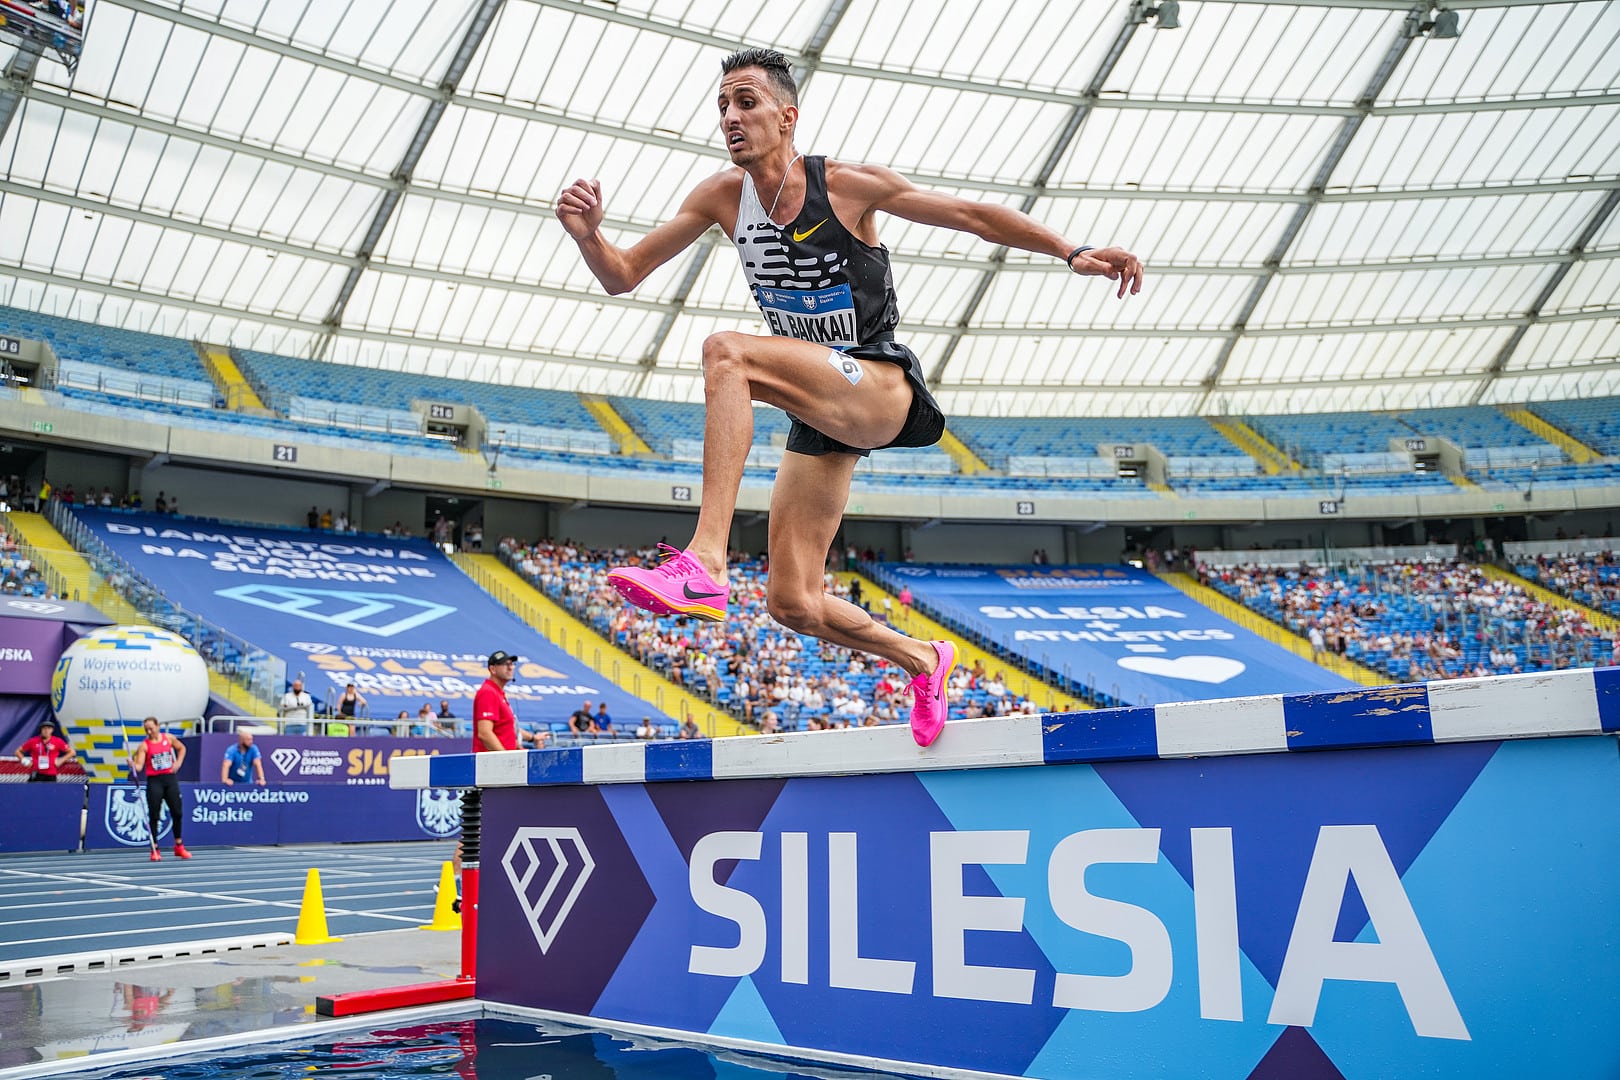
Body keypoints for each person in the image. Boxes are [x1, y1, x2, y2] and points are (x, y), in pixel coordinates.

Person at [556, 48, 1142, 749]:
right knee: (792, 602)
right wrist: (591, 237)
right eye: (722, 106)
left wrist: (1071, 252)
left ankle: (706, 562)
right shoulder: (719, 198)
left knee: (726, 352)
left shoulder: (846, 186)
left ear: (787, 115)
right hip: (819, 409)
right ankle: (923, 659)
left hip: (879, 385)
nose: (730, 118)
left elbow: (974, 215)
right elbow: (622, 275)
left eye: (746, 102)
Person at [454, 650, 523, 910]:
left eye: (512, 664)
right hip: (490, 770)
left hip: (498, 769)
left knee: (491, 828)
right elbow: (485, 733)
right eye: (505, 663)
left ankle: (477, 882)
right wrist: (507, 760)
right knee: (475, 829)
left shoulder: (499, 695)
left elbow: (503, 729)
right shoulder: (487, 693)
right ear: (492, 668)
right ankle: (459, 885)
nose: (510, 667)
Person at [129, 716, 189, 861]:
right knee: (154, 815)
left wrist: (178, 763)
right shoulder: (144, 745)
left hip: (170, 779)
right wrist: (132, 765)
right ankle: (155, 848)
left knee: (177, 812)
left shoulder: (168, 738)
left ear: (157, 726)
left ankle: (179, 845)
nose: (149, 731)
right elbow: (139, 766)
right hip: (155, 781)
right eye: (146, 729)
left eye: (151, 728)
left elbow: (182, 748)